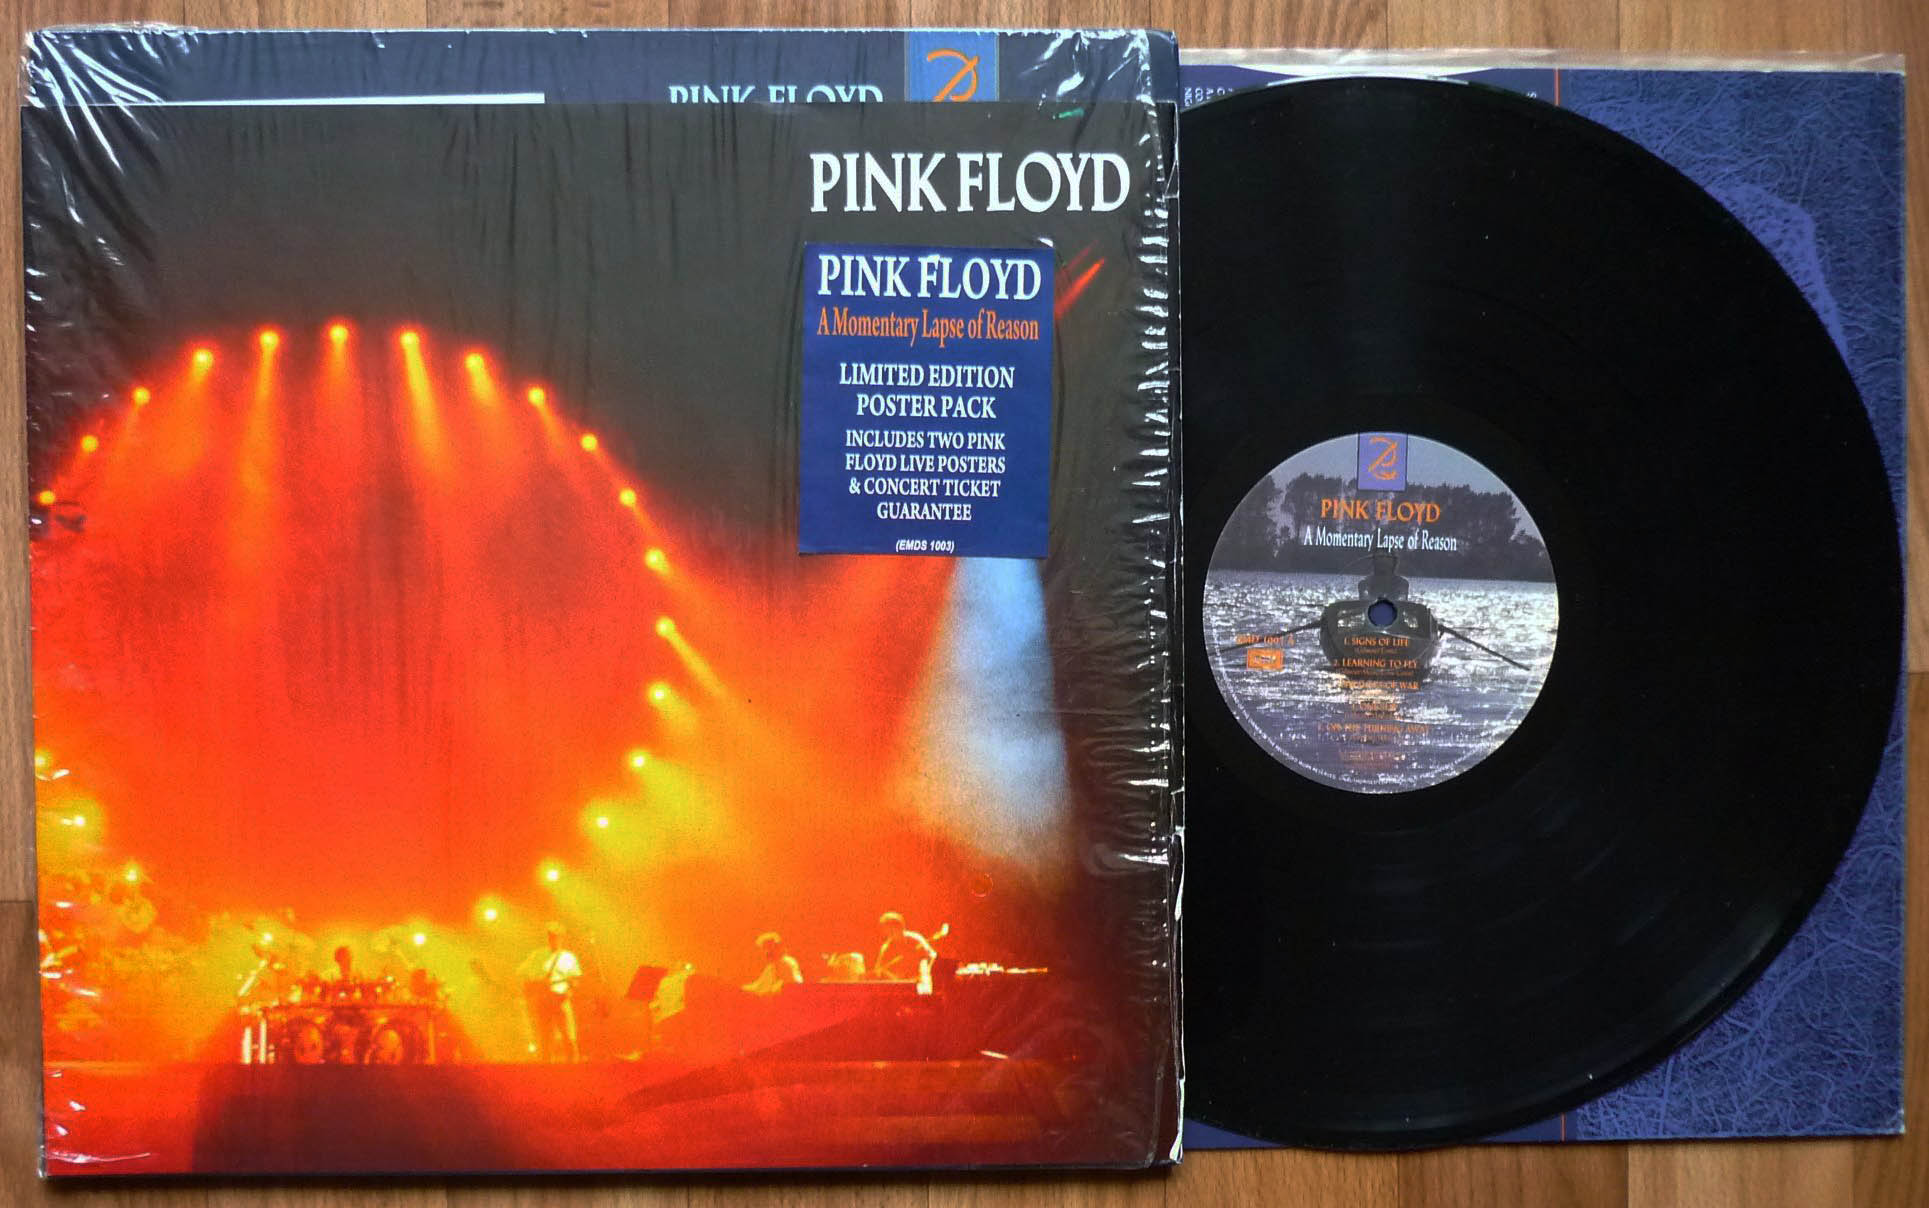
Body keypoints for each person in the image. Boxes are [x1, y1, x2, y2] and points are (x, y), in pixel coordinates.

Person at [519, 923, 582, 1062]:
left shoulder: (569, 957)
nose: (554, 939)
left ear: (562, 938)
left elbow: (576, 980)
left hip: (561, 999)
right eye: (551, 936)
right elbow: (522, 972)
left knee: (569, 1037)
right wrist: (535, 982)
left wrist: (570, 989)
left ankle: (574, 1068)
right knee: (545, 1038)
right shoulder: (537, 955)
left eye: (557, 936)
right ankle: (545, 1068)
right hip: (543, 1000)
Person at [872, 911, 937, 982]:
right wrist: (894, 978)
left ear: (901, 927)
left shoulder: (915, 939)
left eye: (892, 930)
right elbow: (878, 969)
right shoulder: (886, 947)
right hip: (903, 983)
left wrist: (925, 974)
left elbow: (932, 958)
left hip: (922, 980)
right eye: (887, 931)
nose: (888, 934)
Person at [742, 932, 804, 997]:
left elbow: (787, 985)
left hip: (790, 998)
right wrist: (743, 989)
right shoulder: (775, 964)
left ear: (778, 946)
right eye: (764, 948)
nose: (767, 951)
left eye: (769, 947)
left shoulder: (784, 962)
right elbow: (760, 985)